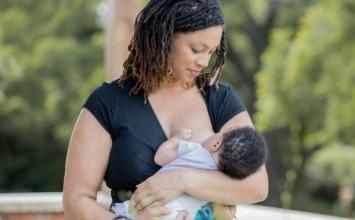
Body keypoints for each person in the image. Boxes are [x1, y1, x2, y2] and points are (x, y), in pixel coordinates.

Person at [62, 0, 269, 219]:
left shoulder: (219, 98)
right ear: (165, 36)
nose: (204, 62)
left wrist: (181, 180)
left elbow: (257, 185)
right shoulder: (107, 103)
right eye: (197, 49)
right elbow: (76, 200)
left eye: (212, 52)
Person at [112, 126, 267, 219]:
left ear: (216, 143)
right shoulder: (218, 187)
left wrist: (176, 138)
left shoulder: (195, 150)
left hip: (149, 206)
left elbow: (160, 157)